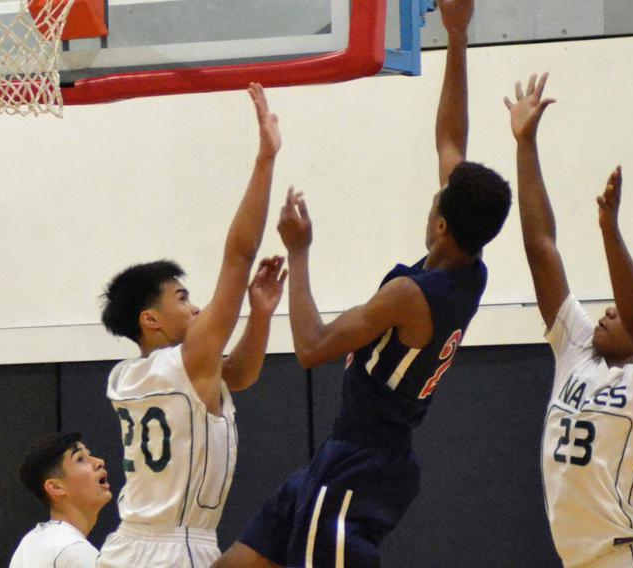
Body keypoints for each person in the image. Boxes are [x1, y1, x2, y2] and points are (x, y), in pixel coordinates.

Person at [215, 2, 512, 566]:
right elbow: (451, 138)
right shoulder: (469, 266)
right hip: (348, 455)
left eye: (436, 199)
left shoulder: (411, 296)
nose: (434, 191)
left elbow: (310, 348)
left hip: (363, 462)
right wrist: (455, 35)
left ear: (442, 224)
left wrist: (300, 254)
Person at [505, 72, 633, 567]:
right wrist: (525, 145)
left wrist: (610, 230)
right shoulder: (579, 350)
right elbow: (540, 248)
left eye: (627, 307)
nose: (609, 308)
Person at [96, 83, 286, 568]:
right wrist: (265, 160)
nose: (198, 308)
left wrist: (260, 316)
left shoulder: (125, 376)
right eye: (183, 298)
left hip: (126, 546)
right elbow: (239, 257)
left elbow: (237, 376)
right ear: (150, 319)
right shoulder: (189, 360)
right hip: (173, 548)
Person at [9, 432, 113, 568]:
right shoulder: (74, 550)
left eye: (90, 454)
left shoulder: (31, 541)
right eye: (80, 459)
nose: (99, 462)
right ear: (55, 487)